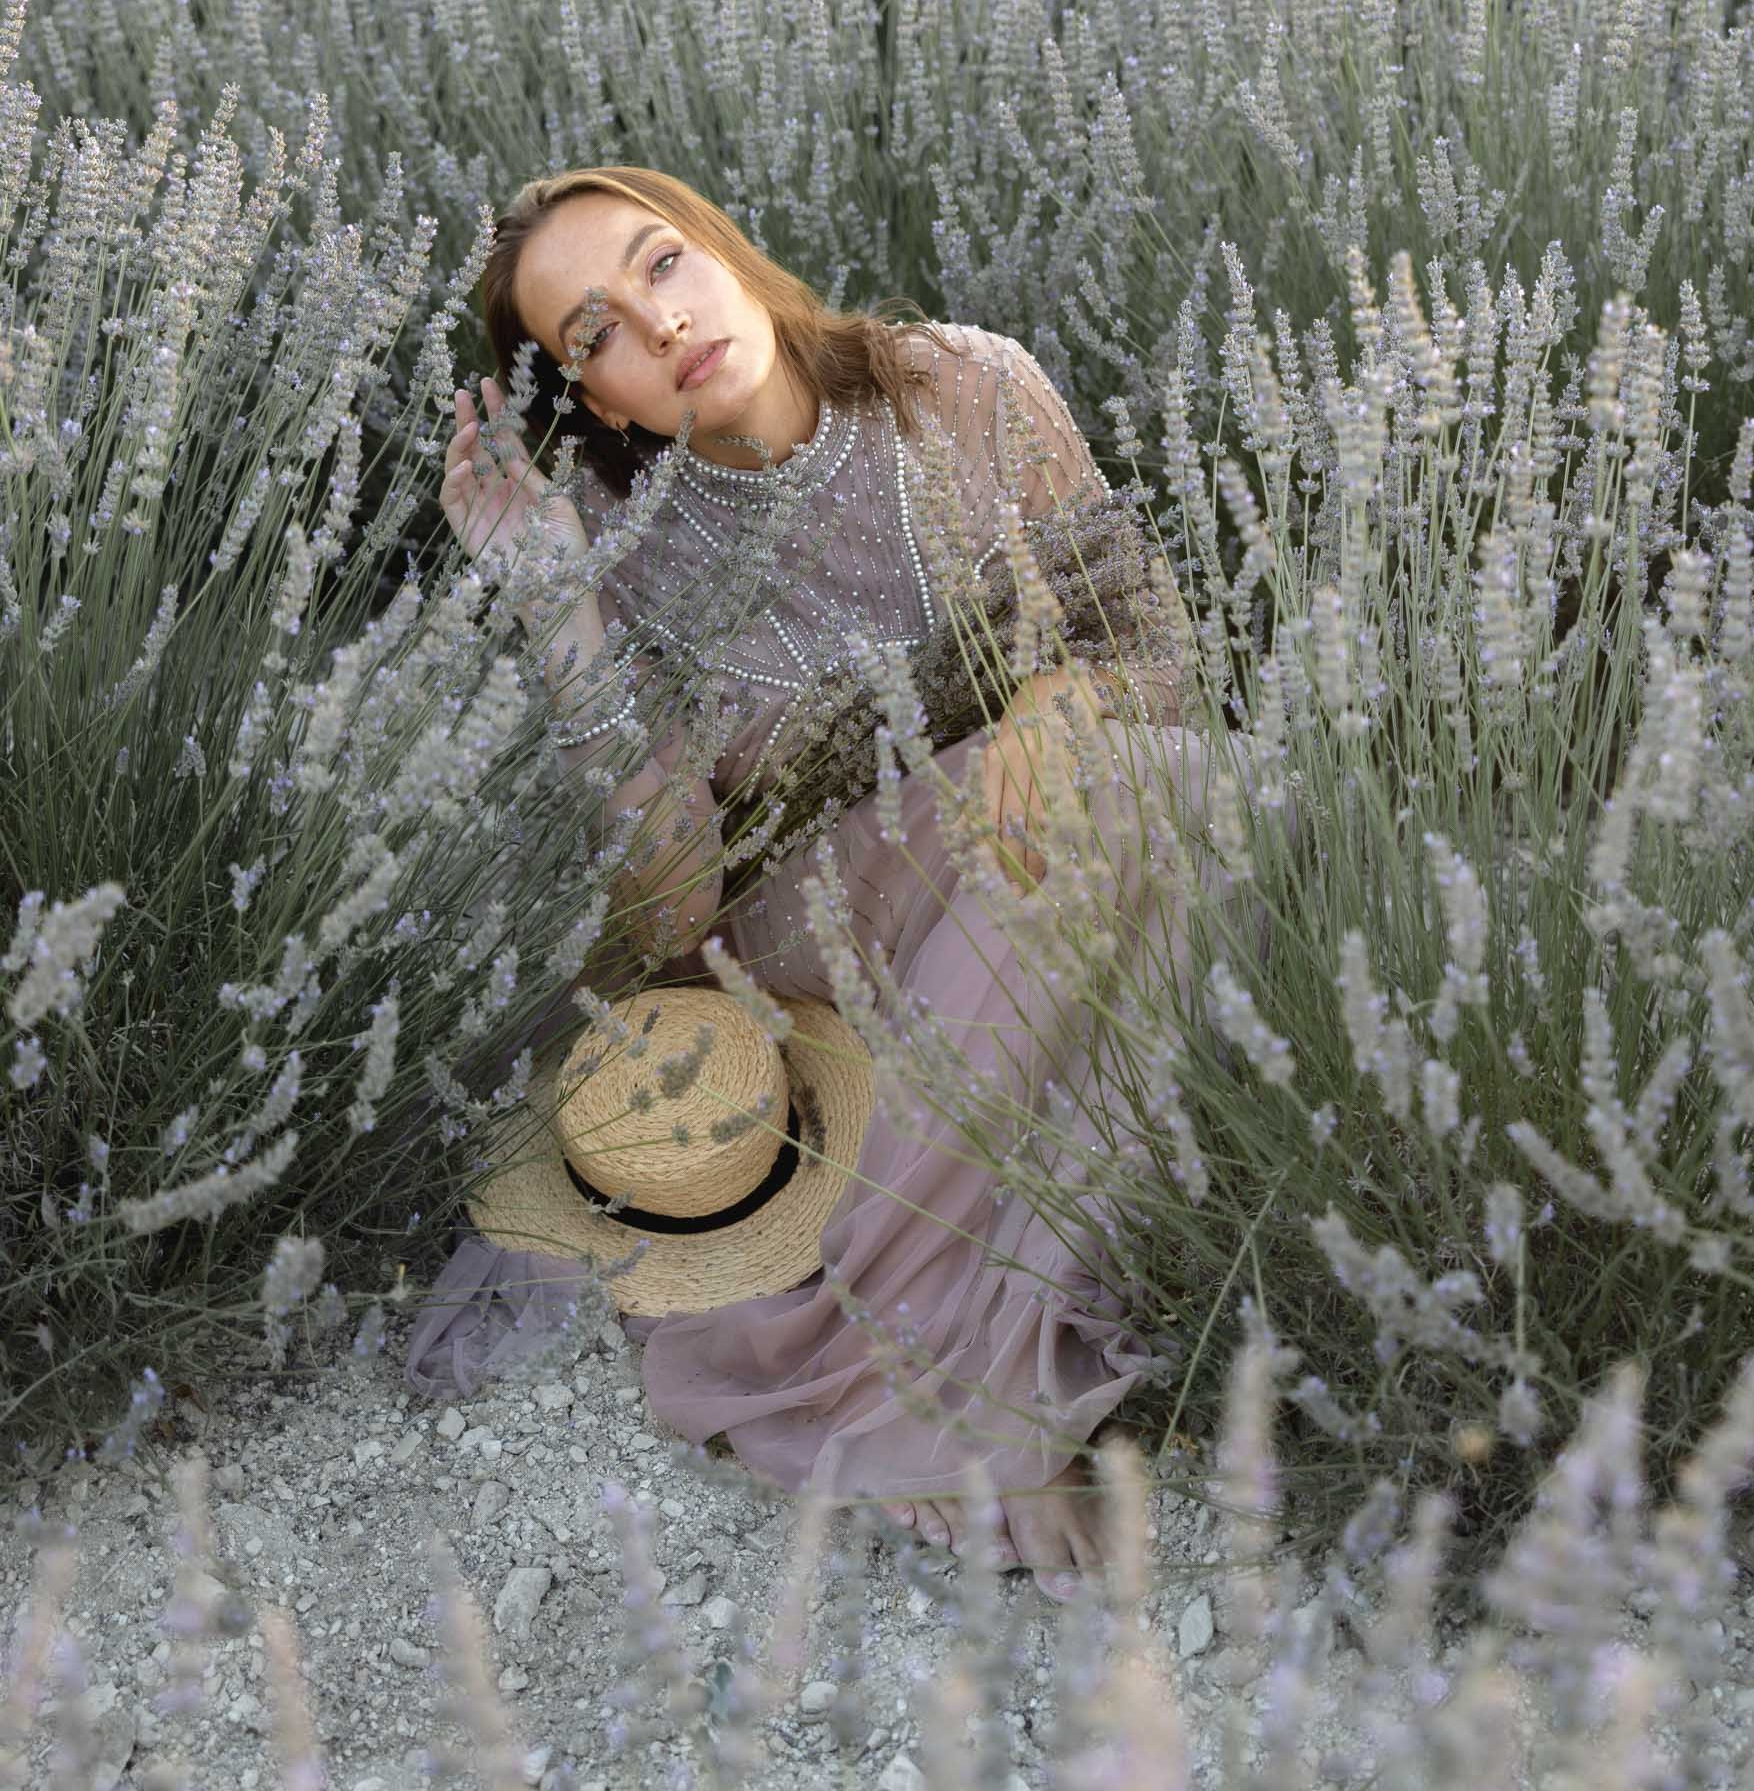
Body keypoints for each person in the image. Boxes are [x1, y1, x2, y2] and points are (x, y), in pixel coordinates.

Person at [419, 163, 1219, 1601]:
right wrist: (560, 612)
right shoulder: (626, 553)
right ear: (597, 402)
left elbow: (1148, 647)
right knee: (1098, 822)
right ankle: (953, 1391)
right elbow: (666, 915)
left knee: (1171, 787)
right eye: (592, 333)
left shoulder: (966, 388)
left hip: (1065, 829)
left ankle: (999, 1318)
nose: (655, 329)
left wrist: (1048, 715)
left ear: (728, 251)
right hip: (822, 933)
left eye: (663, 266)